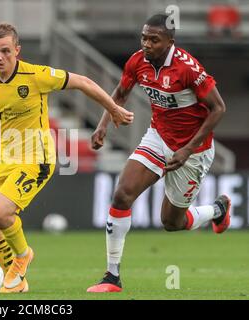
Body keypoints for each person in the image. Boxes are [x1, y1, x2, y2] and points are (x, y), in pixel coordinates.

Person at [0, 23, 134, 293]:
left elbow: (83, 82)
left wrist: (114, 109)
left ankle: (23, 257)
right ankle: (16, 279)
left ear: (17, 51)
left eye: (4, 51)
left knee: (1, 212)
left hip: (37, 156)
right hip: (6, 156)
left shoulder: (36, 75)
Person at [87, 14, 231, 293]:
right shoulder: (137, 61)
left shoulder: (187, 68)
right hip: (158, 137)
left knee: (172, 222)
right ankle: (111, 276)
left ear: (170, 43)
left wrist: (188, 150)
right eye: (144, 38)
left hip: (193, 149)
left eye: (154, 40)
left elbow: (219, 108)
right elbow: (120, 92)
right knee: (122, 193)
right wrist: (103, 125)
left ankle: (217, 210)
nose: (147, 44)